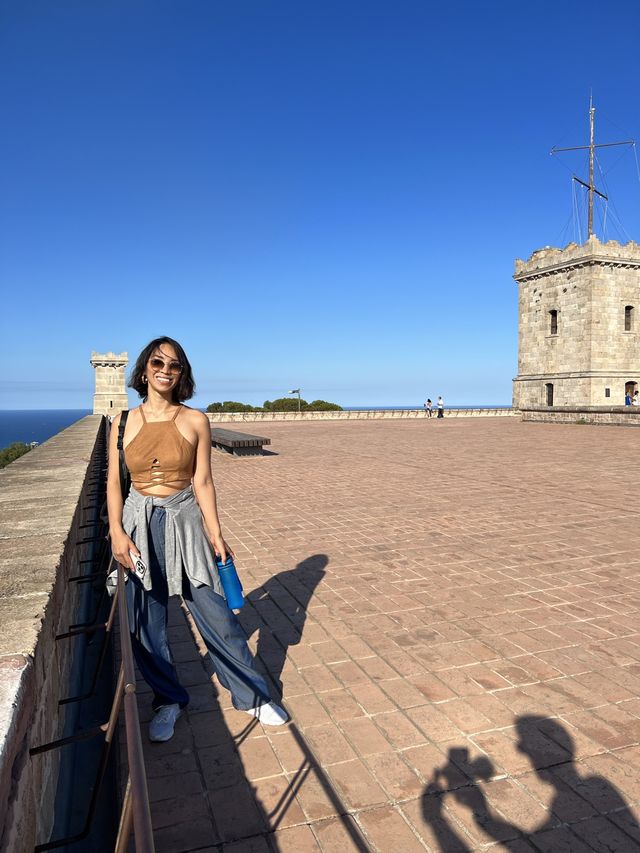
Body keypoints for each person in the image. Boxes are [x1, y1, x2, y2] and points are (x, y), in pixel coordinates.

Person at [107, 336, 288, 742]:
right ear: (143, 369)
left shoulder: (195, 420)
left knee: (216, 614)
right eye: (158, 362)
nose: (166, 370)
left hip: (185, 520)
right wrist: (116, 532)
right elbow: (114, 484)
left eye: (175, 365)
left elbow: (203, 480)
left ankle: (252, 695)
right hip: (138, 525)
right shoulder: (122, 422)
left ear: (182, 375)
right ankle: (168, 700)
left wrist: (216, 533)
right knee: (146, 624)